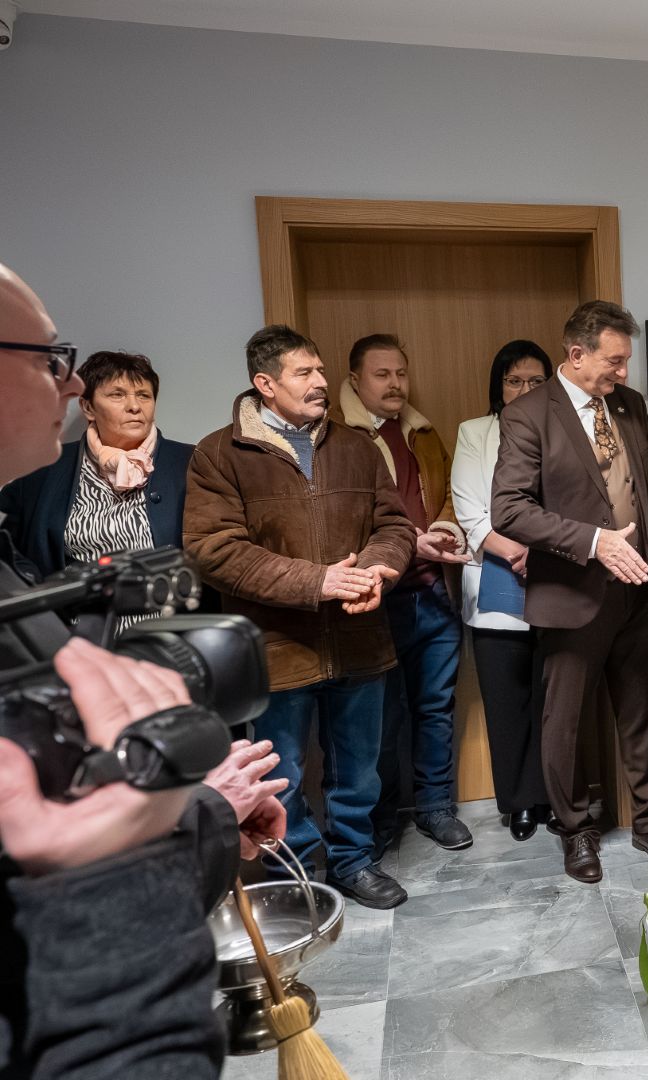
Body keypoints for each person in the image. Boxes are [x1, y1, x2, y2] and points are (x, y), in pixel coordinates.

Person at [0, 260, 279, 1077]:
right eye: (51, 360)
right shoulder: (41, 490)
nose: (69, 384)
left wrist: (202, 813)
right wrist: (180, 820)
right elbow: (64, 861)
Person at [491, 301, 648, 883]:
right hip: (570, 594)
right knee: (565, 723)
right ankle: (575, 830)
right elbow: (509, 510)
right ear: (577, 354)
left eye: (626, 361)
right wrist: (594, 542)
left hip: (633, 588)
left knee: (640, 710)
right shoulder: (527, 416)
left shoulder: (628, 404)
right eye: (614, 361)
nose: (623, 373)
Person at [185, 324, 416, 909]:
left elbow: (394, 526)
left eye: (320, 370)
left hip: (360, 638)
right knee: (280, 773)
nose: (320, 381)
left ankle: (353, 862)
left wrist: (377, 571)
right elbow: (214, 550)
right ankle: (298, 874)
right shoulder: (218, 454)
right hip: (275, 648)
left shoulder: (358, 446)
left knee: (359, 770)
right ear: (265, 384)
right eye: (304, 373)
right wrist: (319, 582)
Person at [337, 334, 473, 856]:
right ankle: (383, 817)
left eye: (400, 373)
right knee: (380, 718)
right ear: (355, 380)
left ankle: (436, 808)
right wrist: (407, 543)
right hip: (378, 598)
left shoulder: (424, 434)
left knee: (436, 709)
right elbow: (344, 518)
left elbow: (451, 495)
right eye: (381, 374)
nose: (395, 384)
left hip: (434, 593)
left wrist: (443, 530)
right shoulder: (338, 436)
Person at [451, 340, 553, 841]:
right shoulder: (475, 432)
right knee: (506, 700)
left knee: (552, 697)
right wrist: (518, 552)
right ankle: (519, 804)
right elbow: (470, 510)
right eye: (514, 381)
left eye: (536, 381)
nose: (525, 389)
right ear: (498, 386)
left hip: (557, 579)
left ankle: (552, 795)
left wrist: (545, 553)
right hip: (496, 576)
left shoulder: (564, 430)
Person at [0, 352, 193, 606]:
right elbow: (8, 550)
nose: (134, 406)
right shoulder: (45, 467)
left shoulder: (191, 462)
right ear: (88, 407)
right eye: (117, 395)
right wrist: (39, 596)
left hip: (167, 624)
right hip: (76, 625)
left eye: (144, 395)